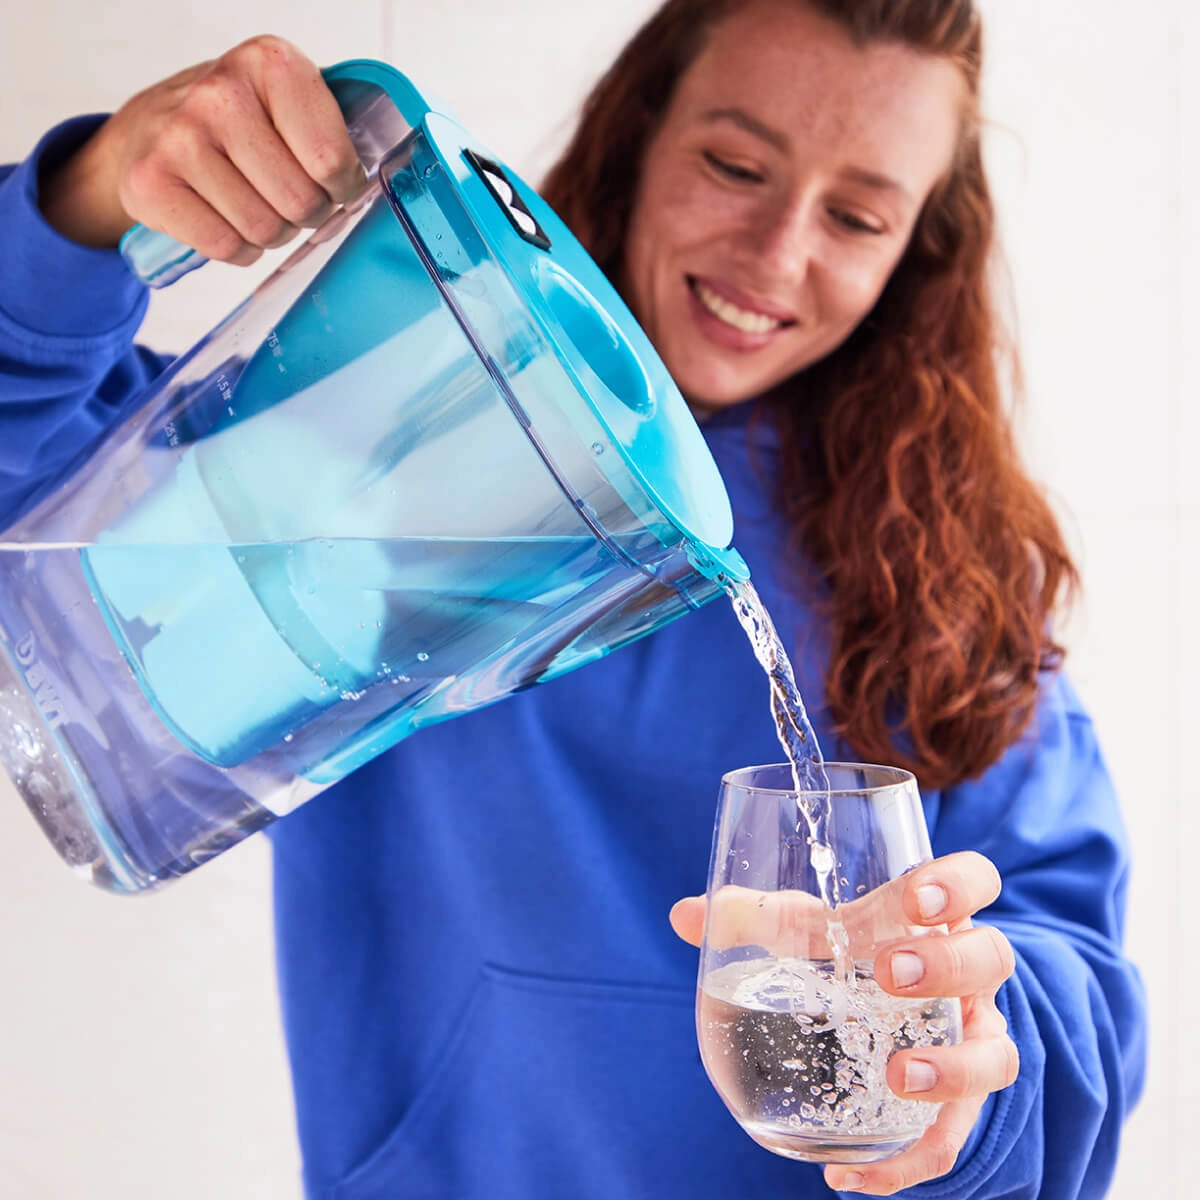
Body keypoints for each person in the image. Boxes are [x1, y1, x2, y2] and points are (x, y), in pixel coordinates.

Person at [0, 2, 1146, 1197]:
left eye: (856, 216)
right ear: (638, 136)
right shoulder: (382, 446)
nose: (775, 252)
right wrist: (88, 199)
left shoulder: (950, 571)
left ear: (914, 252)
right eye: (735, 165)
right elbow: (46, 501)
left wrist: (969, 1069)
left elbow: (1074, 980)